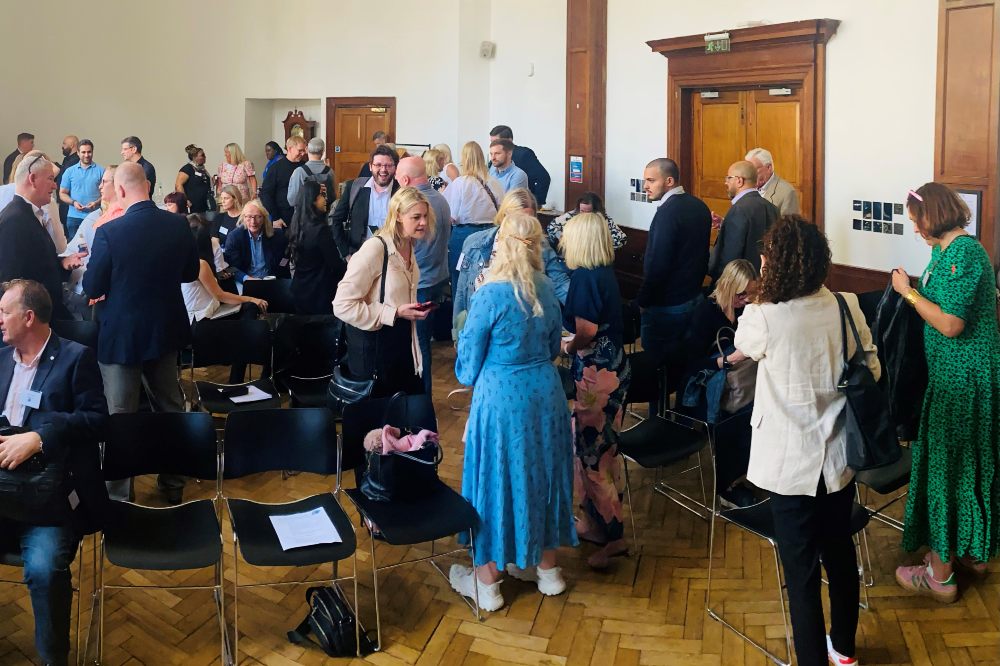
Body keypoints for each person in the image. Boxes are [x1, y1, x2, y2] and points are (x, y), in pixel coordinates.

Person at [734, 215, 877, 666]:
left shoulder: (763, 316)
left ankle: (813, 659)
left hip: (789, 461)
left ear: (773, 265)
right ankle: (845, 650)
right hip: (838, 452)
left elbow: (744, 346)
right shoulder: (845, 305)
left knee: (801, 572)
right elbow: (871, 369)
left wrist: (760, 287)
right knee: (839, 552)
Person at [449, 212, 575, 611]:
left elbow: (466, 368)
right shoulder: (547, 287)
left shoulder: (490, 293)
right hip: (546, 393)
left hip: (502, 397)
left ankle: (487, 582)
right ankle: (547, 569)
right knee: (544, 474)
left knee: (496, 478)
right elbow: (555, 347)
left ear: (500, 243)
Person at [891, 183, 1000, 602]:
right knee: (967, 465)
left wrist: (909, 293)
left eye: (916, 221)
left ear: (932, 217)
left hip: (964, 381)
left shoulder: (965, 254)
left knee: (948, 470)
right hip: (953, 376)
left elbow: (951, 324)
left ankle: (940, 574)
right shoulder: (944, 252)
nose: (915, 230)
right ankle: (973, 551)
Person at [0, 279, 108, 666]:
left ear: (28, 317)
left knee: (45, 571)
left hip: (48, 496)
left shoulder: (75, 357)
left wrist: (40, 437)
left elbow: (98, 422)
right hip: (3, 486)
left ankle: (53, 659)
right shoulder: (0, 357)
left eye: (4, 312)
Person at [82, 161, 199, 504]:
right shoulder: (178, 225)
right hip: (165, 331)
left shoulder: (110, 232)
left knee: (121, 415)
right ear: (148, 186)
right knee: (170, 408)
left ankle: (119, 496)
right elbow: (190, 273)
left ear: (119, 191)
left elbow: (92, 285)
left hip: (122, 336)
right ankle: (173, 483)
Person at [559, 213, 632, 570]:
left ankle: (615, 537)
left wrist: (568, 347)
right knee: (599, 451)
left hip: (595, 373)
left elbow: (585, 330)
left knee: (593, 457)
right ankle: (594, 524)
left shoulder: (586, 278)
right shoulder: (603, 272)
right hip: (614, 367)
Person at [332, 187, 432, 398]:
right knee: (379, 422)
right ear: (398, 216)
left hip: (402, 344)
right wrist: (393, 313)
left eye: (425, 216)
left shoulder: (409, 246)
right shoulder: (375, 249)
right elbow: (342, 305)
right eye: (416, 217)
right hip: (375, 350)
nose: (423, 222)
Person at [681, 259, 759, 508]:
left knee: (757, 411)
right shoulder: (706, 312)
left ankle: (742, 475)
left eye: (751, 293)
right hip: (703, 388)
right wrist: (727, 360)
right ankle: (727, 486)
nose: (747, 299)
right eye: (742, 294)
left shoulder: (745, 310)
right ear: (727, 286)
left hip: (736, 386)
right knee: (737, 417)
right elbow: (691, 364)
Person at [453, 188, 570, 340]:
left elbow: (560, 283)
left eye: (529, 221)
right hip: (477, 332)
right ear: (504, 216)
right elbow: (461, 291)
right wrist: (457, 334)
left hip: (520, 335)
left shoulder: (540, 247)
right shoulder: (474, 243)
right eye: (517, 220)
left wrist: (586, 311)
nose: (522, 227)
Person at [638, 158, 712, 377]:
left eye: (651, 180)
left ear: (669, 181)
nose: (645, 187)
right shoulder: (699, 206)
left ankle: (657, 412)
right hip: (693, 297)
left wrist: (643, 300)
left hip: (666, 304)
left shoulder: (667, 213)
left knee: (657, 367)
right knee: (685, 361)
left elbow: (658, 264)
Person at [0, 154, 84, 321]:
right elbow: (12, 282)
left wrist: (62, 264)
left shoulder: (28, 214)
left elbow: (36, 264)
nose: (54, 185)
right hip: (34, 323)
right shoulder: (15, 220)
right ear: (32, 179)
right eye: (51, 179)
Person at [395, 156, 451, 394]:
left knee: (418, 346)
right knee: (423, 343)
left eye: (398, 178)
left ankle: (421, 400)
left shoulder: (414, 207)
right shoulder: (441, 199)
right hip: (438, 277)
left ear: (405, 179)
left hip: (421, 283)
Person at [442, 141, 504, 294]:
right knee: (487, 277)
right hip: (491, 232)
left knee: (460, 280)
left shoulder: (460, 183)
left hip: (464, 234)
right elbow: (502, 209)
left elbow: (452, 216)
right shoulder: (495, 183)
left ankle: (460, 315)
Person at [63, 165, 124, 317]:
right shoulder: (95, 217)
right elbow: (76, 246)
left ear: (118, 185)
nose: (100, 186)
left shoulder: (125, 219)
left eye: (104, 182)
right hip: (93, 290)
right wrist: (66, 260)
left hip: (111, 295)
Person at [708, 160, 779, 280]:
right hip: (764, 282)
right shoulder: (772, 208)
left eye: (728, 178)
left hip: (740, 287)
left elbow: (730, 258)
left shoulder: (739, 210)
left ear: (739, 181)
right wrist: (724, 224)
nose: (726, 182)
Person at [330, 144, 400, 260]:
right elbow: (336, 220)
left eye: (388, 165)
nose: (383, 170)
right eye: (378, 165)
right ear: (370, 166)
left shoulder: (401, 191)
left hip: (392, 257)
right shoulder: (354, 187)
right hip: (359, 256)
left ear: (395, 167)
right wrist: (346, 253)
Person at [289, 181, 344, 315]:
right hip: (319, 292)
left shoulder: (296, 223)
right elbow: (335, 264)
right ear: (312, 199)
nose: (325, 199)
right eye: (321, 195)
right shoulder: (320, 230)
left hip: (299, 288)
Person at [223, 199, 289, 285]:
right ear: (243, 217)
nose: (253, 222)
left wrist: (276, 276)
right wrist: (247, 279)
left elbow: (284, 259)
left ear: (264, 218)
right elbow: (231, 267)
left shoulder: (277, 236)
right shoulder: (234, 237)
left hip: (271, 280)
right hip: (245, 281)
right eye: (249, 217)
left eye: (258, 216)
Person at [489, 125, 550, 205]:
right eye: (492, 142)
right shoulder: (493, 162)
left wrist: (535, 202)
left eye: (497, 141)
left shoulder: (524, 154)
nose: (494, 145)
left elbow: (543, 177)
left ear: (509, 140)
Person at [546, 191, 627, 251]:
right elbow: (551, 227)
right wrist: (561, 237)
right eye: (582, 210)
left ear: (596, 210)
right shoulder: (571, 215)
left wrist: (599, 247)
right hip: (571, 256)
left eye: (588, 212)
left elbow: (621, 240)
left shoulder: (604, 220)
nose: (584, 214)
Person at [57, 139, 103, 239]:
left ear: (92, 152)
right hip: (74, 217)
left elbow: (106, 195)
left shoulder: (101, 171)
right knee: (74, 249)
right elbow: (62, 193)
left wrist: (96, 203)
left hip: (95, 216)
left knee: (93, 247)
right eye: (83, 152)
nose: (86, 155)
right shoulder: (69, 171)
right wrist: (73, 203)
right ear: (78, 153)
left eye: (89, 152)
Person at [260, 135, 305, 229]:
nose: (303, 153)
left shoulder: (305, 167)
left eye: (304, 150)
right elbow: (266, 194)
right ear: (290, 148)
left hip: (303, 217)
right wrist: (276, 218)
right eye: (300, 150)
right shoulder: (276, 168)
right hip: (282, 218)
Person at [745, 147, 800, 215]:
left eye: (754, 170)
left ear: (769, 168)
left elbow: (789, 224)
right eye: (749, 170)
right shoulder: (746, 187)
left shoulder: (787, 192)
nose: (750, 175)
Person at [286, 137, 335, 208]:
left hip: (304, 216)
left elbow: (292, 201)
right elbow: (333, 197)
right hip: (324, 215)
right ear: (323, 151)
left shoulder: (299, 172)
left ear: (307, 150)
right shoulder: (330, 171)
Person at [175, 144, 213, 213]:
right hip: (193, 208)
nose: (205, 157)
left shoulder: (202, 170)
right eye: (202, 155)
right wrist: (185, 200)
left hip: (205, 207)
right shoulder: (187, 168)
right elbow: (178, 185)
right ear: (194, 157)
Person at [55, 135, 80, 231]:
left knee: (69, 232)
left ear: (72, 145)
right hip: (64, 202)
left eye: (64, 144)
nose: (62, 146)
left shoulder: (76, 161)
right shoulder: (67, 159)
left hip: (70, 204)